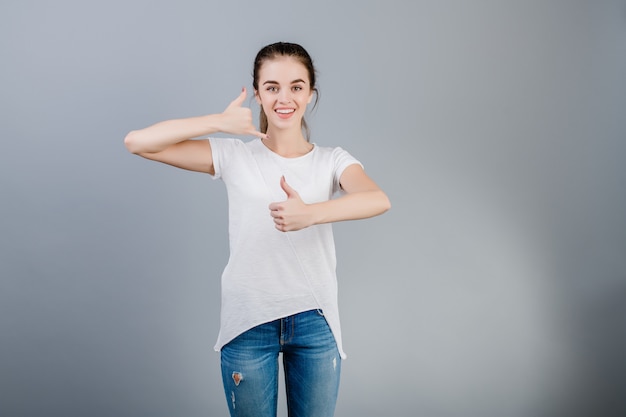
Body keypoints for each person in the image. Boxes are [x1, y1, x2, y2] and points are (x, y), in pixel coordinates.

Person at [124, 41, 390, 417]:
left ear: (311, 94)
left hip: (315, 322)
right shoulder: (234, 156)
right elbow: (138, 142)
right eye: (272, 87)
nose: (285, 97)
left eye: (296, 86)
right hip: (249, 321)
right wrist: (217, 122)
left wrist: (310, 214)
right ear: (258, 94)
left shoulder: (332, 160)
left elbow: (377, 199)